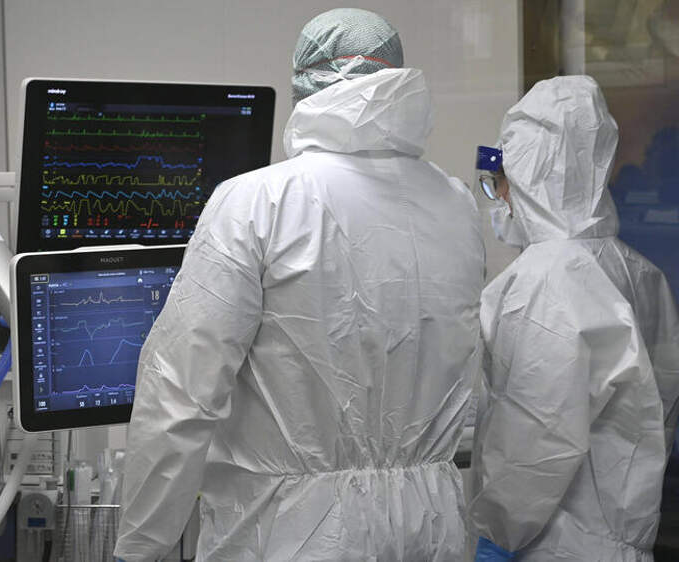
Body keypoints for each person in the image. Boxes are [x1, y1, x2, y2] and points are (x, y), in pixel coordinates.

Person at [113, 8, 486, 561]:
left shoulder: (257, 202)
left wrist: (140, 546)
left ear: (306, 83)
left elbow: (181, 394)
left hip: (292, 532)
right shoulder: (455, 204)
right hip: (428, 527)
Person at [468, 75, 679, 561]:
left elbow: (536, 438)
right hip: (620, 536)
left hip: (556, 544)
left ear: (529, 174)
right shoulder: (637, 271)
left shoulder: (545, 280)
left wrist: (498, 532)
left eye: (499, 182)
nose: (500, 198)